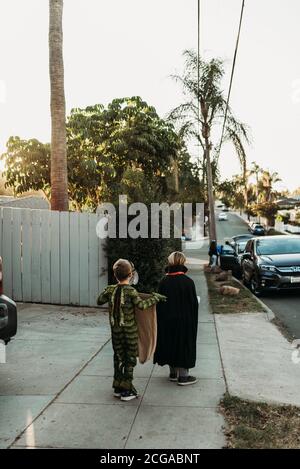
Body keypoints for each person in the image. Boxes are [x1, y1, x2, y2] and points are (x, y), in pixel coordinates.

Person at [97, 259, 166, 401]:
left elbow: (99, 300)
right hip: (130, 332)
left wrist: (108, 290)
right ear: (130, 275)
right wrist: (155, 298)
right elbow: (141, 305)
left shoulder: (110, 289)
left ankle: (117, 385)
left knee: (118, 356)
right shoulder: (131, 291)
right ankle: (127, 389)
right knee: (129, 359)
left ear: (115, 275)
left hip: (115, 332)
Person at [153, 251, 199, 385]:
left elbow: (159, 303)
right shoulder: (188, 282)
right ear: (183, 263)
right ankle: (183, 376)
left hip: (167, 320)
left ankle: (173, 373)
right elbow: (193, 305)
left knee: (169, 342)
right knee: (183, 344)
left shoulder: (163, 281)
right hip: (184, 321)